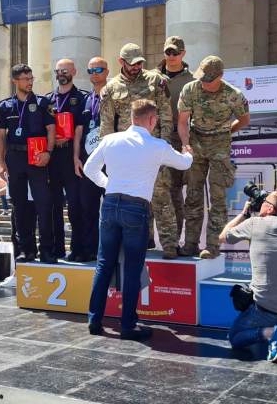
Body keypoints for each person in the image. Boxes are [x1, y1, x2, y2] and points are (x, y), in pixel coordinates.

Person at [85, 99, 194, 340]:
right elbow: (184, 163)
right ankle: (128, 325)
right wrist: (188, 151)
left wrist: (108, 185)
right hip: (136, 208)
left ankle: (94, 320)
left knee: (104, 264)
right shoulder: (157, 144)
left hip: (111, 203)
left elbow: (88, 169)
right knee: (133, 268)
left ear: (132, 118)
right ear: (152, 120)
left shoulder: (110, 139)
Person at [100, 43, 180, 259]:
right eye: (132, 63)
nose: (137, 67)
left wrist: (164, 147)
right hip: (124, 155)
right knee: (133, 201)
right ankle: (143, 241)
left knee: (161, 198)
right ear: (121, 62)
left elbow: (165, 115)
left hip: (152, 150)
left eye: (140, 63)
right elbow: (106, 125)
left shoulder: (156, 81)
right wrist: (107, 156)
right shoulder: (110, 88)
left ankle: (170, 245)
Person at [220, 188, 277, 363]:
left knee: (235, 337)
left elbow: (223, 237)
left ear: (270, 209)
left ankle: (271, 333)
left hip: (269, 309)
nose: (261, 203)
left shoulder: (254, 224)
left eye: (265, 202)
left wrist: (244, 214)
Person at [178, 56, 250, 259]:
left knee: (217, 199)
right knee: (193, 196)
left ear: (220, 76)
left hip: (220, 145)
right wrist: (186, 144)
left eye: (208, 79)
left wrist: (226, 132)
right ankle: (190, 244)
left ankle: (212, 246)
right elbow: (183, 122)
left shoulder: (233, 95)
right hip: (196, 142)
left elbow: (244, 119)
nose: (204, 82)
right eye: (202, 77)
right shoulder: (190, 89)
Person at [0, 63, 57, 264]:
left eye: (31, 78)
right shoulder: (5, 105)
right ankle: (26, 250)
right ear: (15, 81)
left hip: (37, 158)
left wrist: (48, 152)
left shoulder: (42, 102)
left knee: (44, 204)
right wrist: (1, 163)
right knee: (19, 206)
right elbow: (0, 136)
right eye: (25, 79)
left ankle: (47, 250)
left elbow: (51, 129)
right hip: (15, 158)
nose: (30, 82)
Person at [45, 58, 87, 261]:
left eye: (65, 70)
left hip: (71, 154)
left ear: (74, 72)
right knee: (53, 205)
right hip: (52, 157)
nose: (61, 73)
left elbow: (81, 130)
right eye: (58, 70)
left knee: (74, 205)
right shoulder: (47, 100)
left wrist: (75, 157)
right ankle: (56, 249)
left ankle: (78, 249)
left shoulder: (81, 98)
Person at [74, 56, 109, 262]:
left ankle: (109, 251)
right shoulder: (85, 100)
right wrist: (76, 158)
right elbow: (79, 132)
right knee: (88, 208)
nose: (94, 74)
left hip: (110, 161)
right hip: (89, 163)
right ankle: (90, 250)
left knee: (112, 209)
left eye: (98, 69)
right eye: (90, 70)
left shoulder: (114, 95)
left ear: (107, 71)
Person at [158, 36, 193, 242]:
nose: (171, 57)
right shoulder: (152, 77)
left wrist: (187, 144)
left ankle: (175, 240)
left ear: (183, 54)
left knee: (175, 192)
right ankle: (149, 239)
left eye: (176, 53)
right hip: (154, 137)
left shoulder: (192, 81)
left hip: (178, 138)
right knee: (151, 189)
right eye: (168, 52)